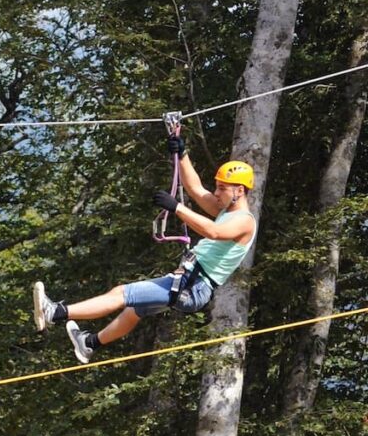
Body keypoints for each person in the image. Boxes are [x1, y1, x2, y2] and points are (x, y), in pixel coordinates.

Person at [32, 135, 258, 363]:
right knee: (134, 310)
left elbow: (214, 232)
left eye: (222, 188)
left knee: (122, 293)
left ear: (239, 191)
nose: (216, 193)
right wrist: (182, 154)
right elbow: (195, 188)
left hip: (193, 286)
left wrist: (176, 208)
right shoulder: (225, 211)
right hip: (191, 284)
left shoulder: (245, 221)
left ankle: (55, 313)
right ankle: (89, 344)